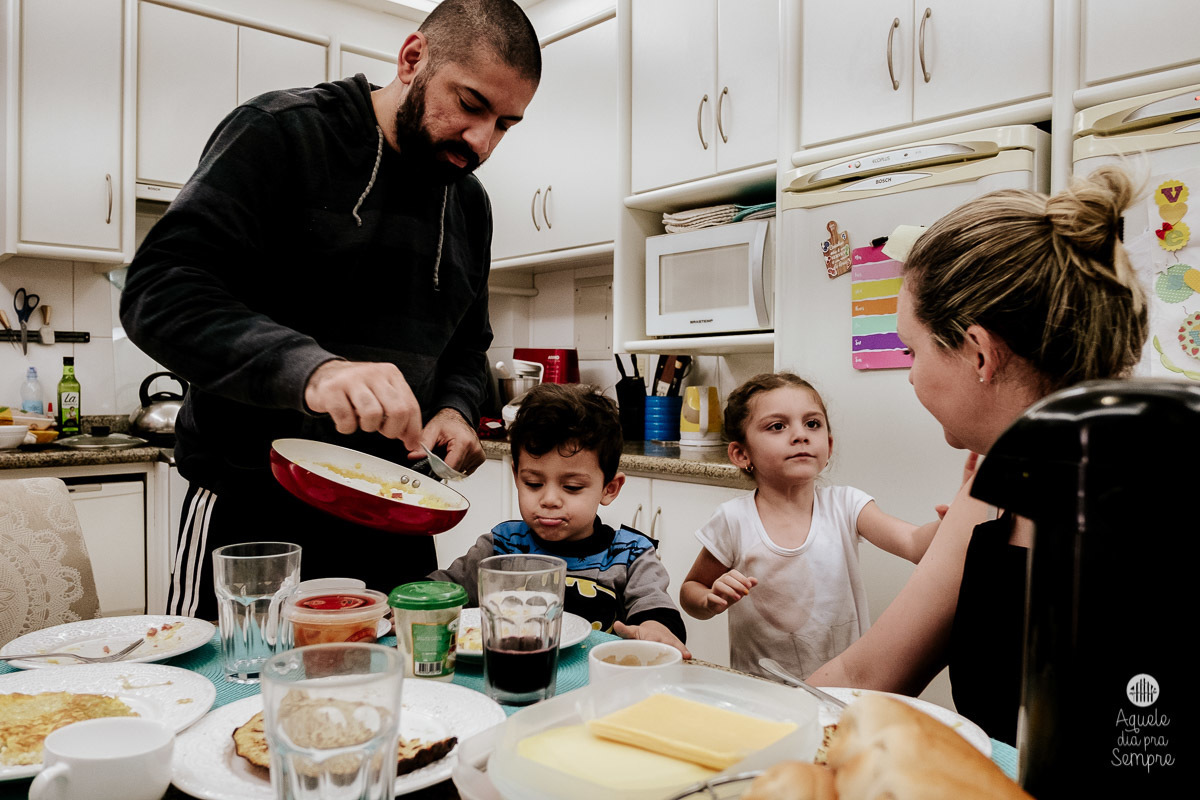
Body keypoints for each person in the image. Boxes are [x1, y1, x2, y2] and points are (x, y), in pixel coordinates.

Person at [119, 0, 541, 620]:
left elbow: (467, 345)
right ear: (412, 58)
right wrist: (316, 371)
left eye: (505, 124)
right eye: (471, 105)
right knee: (228, 693)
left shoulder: (469, 204)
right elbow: (161, 290)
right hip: (253, 514)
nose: (482, 142)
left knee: (407, 703)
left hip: (393, 515)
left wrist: (454, 407)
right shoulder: (280, 133)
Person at [807, 166, 1147, 746]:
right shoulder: (995, 482)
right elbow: (863, 679)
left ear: (979, 354)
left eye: (912, 349)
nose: (910, 376)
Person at [679, 372, 940, 681]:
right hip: (762, 691)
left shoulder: (847, 506)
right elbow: (690, 591)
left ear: (828, 445)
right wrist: (710, 600)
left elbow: (913, 543)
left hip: (842, 687)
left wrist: (954, 522)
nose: (800, 435)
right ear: (741, 453)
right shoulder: (733, 520)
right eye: (777, 426)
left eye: (812, 424)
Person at [431, 383, 691, 657]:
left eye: (572, 487)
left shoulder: (631, 554)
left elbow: (655, 607)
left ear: (609, 488)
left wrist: (655, 628)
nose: (550, 500)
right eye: (533, 483)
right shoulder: (501, 546)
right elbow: (442, 591)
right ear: (516, 475)